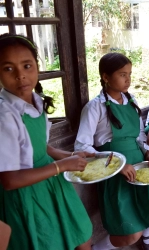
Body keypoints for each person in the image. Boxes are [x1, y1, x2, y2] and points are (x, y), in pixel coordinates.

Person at [0, 34, 92, 250]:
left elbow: (40, 148)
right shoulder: (5, 115)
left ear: (37, 67)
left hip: (52, 184)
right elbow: (10, 180)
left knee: (82, 236)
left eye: (26, 66)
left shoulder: (35, 102)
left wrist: (70, 156)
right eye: (8, 68)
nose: (20, 76)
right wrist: (61, 166)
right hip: (26, 194)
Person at [75, 53, 149, 250]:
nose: (128, 79)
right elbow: (82, 147)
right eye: (122, 74)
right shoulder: (95, 107)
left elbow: (139, 136)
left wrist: (147, 152)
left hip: (140, 167)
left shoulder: (131, 101)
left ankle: (147, 237)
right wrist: (118, 164)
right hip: (114, 172)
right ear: (105, 77)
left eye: (129, 74)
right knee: (129, 234)